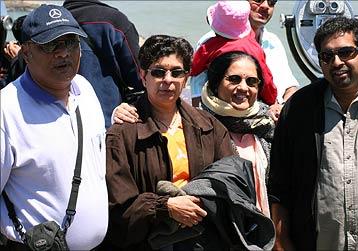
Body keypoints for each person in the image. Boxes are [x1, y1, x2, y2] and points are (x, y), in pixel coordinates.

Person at [268, 16, 358, 250]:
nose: (337, 62)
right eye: (327, 56)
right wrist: (281, 241)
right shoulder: (299, 109)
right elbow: (280, 184)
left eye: (346, 52)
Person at [103, 35, 235, 249]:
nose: (168, 79)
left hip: (203, 240)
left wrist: (198, 204)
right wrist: (166, 207)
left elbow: (230, 182)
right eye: (158, 72)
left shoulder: (209, 126)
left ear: (186, 78)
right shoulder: (121, 135)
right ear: (142, 76)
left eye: (176, 72)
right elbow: (117, 206)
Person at [0, 4, 108, 250]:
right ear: (26, 53)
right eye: (51, 45)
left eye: (70, 42)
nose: (63, 53)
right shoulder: (7, 110)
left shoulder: (85, 90)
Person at [201, 51, 275, 217]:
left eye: (251, 82)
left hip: (262, 232)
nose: (243, 88)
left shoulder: (267, 127)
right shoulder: (198, 125)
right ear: (216, 83)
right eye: (234, 79)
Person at [63, 0, 144, 128]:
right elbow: (140, 76)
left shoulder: (54, 23)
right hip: (110, 120)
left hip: (62, 121)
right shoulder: (114, 21)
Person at [190, 1, 277, 109]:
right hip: (246, 101)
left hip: (218, 102)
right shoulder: (255, 48)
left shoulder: (208, 46)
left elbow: (194, 68)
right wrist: (272, 100)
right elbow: (266, 78)